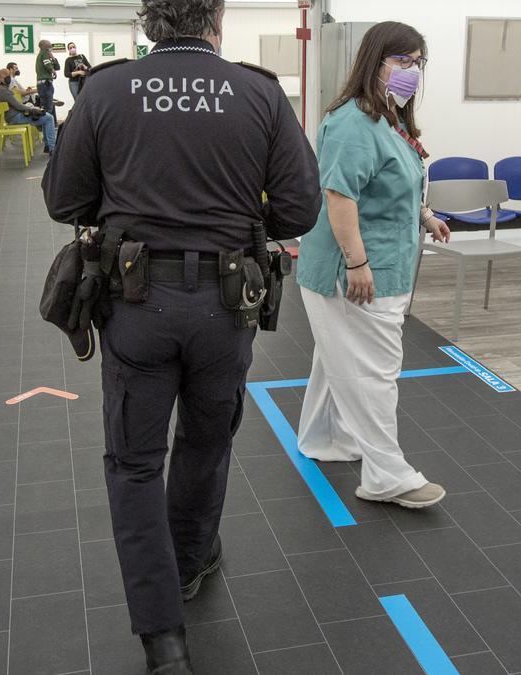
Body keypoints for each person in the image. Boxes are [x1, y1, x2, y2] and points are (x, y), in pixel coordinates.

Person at [41, 0, 320, 671]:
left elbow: (64, 200)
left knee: (134, 461)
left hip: (136, 304)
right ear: (216, 20)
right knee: (206, 438)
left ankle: (163, 639)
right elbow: (299, 208)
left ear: (146, 23)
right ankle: (190, 559)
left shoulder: (105, 88)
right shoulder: (258, 92)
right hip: (228, 305)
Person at [295, 22, 451, 508]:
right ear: (374, 62)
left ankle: (322, 439)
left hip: (378, 261)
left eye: (418, 63)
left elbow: (392, 181)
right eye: (402, 61)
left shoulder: (389, 119)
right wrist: (358, 262)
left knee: (336, 359)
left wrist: (425, 215)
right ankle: (387, 474)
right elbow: (340, 196)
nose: (412, 72)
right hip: (356, 270)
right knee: (374, 372)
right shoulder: (352, 122)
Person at [0, 68, 56, 153]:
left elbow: (17, 105)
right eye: (5, 76)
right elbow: (19, 106)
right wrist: (33, 110)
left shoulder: (0, 89)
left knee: (46, 116)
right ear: (0, 78)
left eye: (8, 75)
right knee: (49, 118)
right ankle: (52, 148)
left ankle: (48, 146)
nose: (8, 78)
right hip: (14, 118)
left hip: (12, 116)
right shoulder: (4, 91)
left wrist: (32, 109)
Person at [35, 39, 61, 122]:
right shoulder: (43, 53)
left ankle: (46, 126)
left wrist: (53, 58)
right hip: (45, 83)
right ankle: (46, 127)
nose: (51, 46)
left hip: (44, 84)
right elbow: (48, 66)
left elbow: (57, 67)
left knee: (46, 106)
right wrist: (53, 71)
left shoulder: (45, 55)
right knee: (47, 107)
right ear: (44, 46)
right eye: (49, 45)